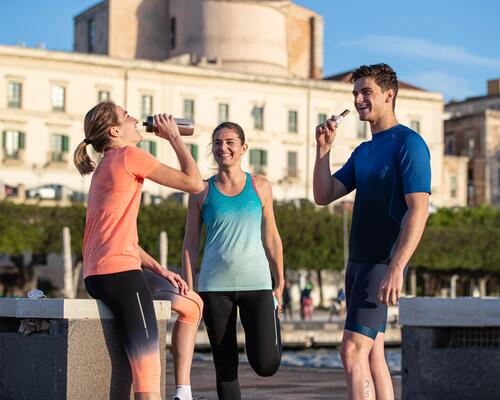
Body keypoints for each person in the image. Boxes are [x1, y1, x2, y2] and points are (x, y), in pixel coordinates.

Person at [313, 63, 431, 400]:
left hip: (381, 264)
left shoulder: (409, 143)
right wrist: (323, 150)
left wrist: (396, 266)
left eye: (367, 92)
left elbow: (418, 209)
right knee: (373, 351)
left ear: (388, 95)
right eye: (355, 93)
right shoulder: (363, 151)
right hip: (358, 264)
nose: (359, 99)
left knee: (351, 352)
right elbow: (323, 195)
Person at [74, 101, 204, 400]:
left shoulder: (104, 166)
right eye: (127, 116)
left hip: (100, 275)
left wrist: (160, 270)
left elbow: (122, 239)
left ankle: (183, 392)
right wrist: (174, 137)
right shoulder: (129, 155)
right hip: (121, 276)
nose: (136, 120)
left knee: (191, 304)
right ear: (115, 130)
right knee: (147, 379)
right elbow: (194, 184)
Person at [182, 121, 285, 400]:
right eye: (217, 142)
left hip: (258, 283)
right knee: (225, 367)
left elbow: (272, 236)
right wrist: (190, 288)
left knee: (266, 364)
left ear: (243, 148)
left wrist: (281, 281)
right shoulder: (200, 191)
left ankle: (272, 324)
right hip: (214, 287)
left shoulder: (260, 186)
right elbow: (190, 243)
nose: (222, 148)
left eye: (229, 142)